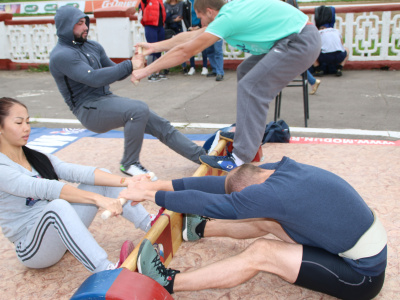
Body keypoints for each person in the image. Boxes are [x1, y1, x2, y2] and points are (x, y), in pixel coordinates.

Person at [119, 158, 387, 299]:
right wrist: (154, 185)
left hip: (362, 277)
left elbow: (211, 203)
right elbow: (219, 187)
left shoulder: (268, 196)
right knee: (268, 219)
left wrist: (148, 196)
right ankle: (198, 229)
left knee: (263, 251)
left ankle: (167, 281)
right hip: (349, 244)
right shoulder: (278, 170)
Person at [131, 0, 321, 172]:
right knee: (245, 71)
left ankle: (239, 157)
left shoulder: (228, 19)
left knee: (252, 86)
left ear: (210, 11)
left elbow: (185, 51)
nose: (201, 23)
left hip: (299, 41)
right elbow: (189, 38)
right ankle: (248, 135)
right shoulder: (229, 14)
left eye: (201, 18)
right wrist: (154, 47)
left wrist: (146, 70)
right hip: (292, 37)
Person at [49, 5, 206, 179]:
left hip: (105, 100)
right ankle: (129, 163)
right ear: (66, 26)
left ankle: (201, 156)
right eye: (79, 23)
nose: (86, 27)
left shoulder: (92, 46)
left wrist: (136, 62)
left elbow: (114, 72)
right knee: (137, 109)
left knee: (158, 123)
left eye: (85, 21)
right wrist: (129, 64)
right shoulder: (61, 55)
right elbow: (93, 78)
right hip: (87, 110)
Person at [0, 97, 153, 273]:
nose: (26, 128)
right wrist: (99, 200)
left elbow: (74, 171)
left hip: (60, 234)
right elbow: (47, 189)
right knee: (57, 205)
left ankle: (149, 223)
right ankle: (106, 270)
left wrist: (128, 181)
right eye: (18, 123)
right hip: (33, 248)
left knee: (100, 177)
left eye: (27, 121)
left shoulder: (34, 156)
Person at [139, 0, 168, 82]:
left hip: (160, 26)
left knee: (159, 50)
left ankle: (158, 72)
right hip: (150, 26)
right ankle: (150, 74)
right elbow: (140, 13)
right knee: (152, 50)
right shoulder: (145, 1)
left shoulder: (160, 1)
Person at [164, 0, 189, 74]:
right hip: (168, 27)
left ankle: (184, 66)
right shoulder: (165, 4)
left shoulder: (181, 3)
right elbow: (165, 17)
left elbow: (180, 15)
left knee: (181, 47)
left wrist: (171, 18)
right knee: (167, 48)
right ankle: (167, 67)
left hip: (178, 27)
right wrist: (174, 19)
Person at [187, 0, 209, 76]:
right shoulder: (187, 2)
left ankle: (205, 67)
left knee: (203, 47)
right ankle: (192, 67)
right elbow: (185, 16)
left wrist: (199, 26)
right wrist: (189, 27)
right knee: (191, 47)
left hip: (200, 26)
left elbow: (204, 15)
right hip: (190, 28)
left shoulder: (201, 2)